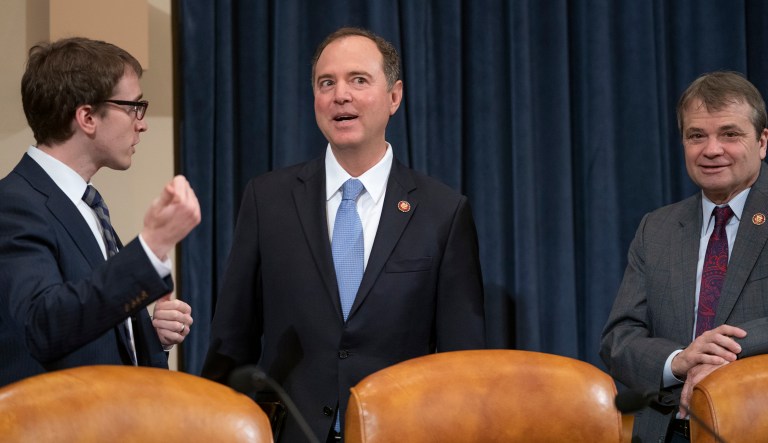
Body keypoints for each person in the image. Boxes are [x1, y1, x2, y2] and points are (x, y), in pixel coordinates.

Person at [202, 27, 485, 442]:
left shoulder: (443, 211)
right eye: (326, 83)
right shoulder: (269, 199)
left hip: (400, 431)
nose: (340, 95)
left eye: (358, 80)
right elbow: (233, 339)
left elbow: (464, 361)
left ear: (394, 96)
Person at [0, 37, 201, 386]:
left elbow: (89, 331)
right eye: (133, 107)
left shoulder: (87, 205)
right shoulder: (14, 204)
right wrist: (150, 247)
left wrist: (149, 337)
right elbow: (42, 324)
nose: (142, 123)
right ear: (88, 117)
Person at [601, 71, 768, 442]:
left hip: (757, 423)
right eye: (696, 136)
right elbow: (619, 339)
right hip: (668, 429)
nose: (711, 149)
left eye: (729, 133)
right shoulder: (655, 228)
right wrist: (678, 360)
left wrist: (725, 350)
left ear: (762, 141)